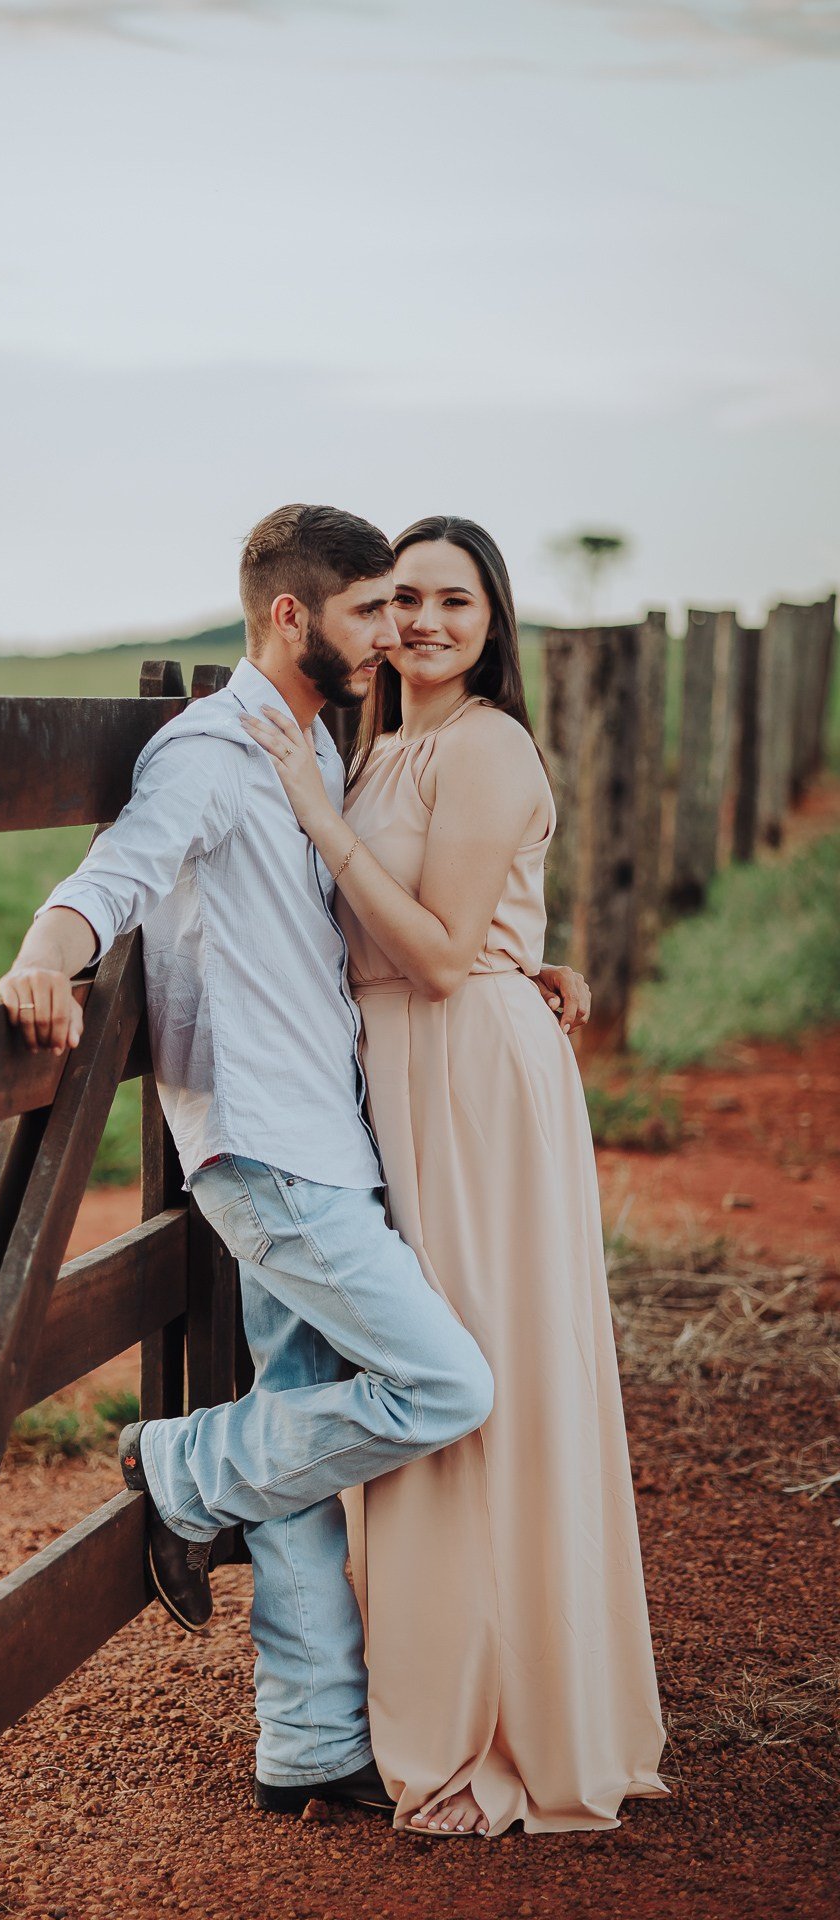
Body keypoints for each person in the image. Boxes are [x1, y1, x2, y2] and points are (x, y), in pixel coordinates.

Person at [0, 503, 586, 1815]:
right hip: (268, 1147)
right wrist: (46, 960)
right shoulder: (213, 751)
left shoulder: (320, 739)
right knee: (443, 1385)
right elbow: (116, 874)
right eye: (371, 612)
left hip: (334, 1134)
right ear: (291, 615)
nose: (396, 636)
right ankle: (182, 1469)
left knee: (307, 1415)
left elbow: (376, 916)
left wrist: (517, 960)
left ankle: (310, 1741)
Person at [238, 513, 667, 1837]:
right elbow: (434, 929)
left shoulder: (488, 746)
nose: (423, 622)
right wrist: (528, 948)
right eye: (401, 599)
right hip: (398, 1084)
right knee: (421, 1378)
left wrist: (316, 812)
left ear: (494, 625)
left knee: (483, 1383)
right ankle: (420, 1694)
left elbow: (432, 956)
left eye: (453, 602)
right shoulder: (382, 742)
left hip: (472, 1085)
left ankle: (504, 1721)